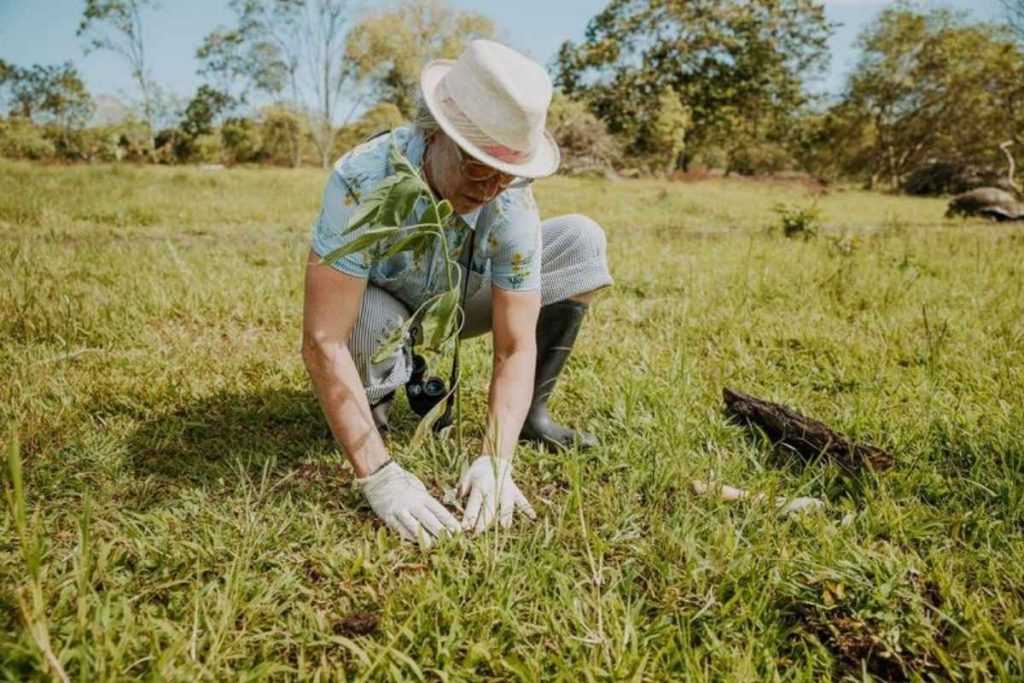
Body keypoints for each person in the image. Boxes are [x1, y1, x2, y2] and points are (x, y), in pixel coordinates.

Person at [301, 40, 613, 546]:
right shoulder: (362, 180)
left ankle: (527, 418)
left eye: (506, 175)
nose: (489, 189)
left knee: (581, 238)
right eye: (477, 167)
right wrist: (379, 479)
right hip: (384, 305)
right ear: (433, 134)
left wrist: (496, 459)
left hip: (464, 299)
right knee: (364, 321)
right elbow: (323, 339)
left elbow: (514, 345)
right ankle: (371, 421)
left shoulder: (510, 201)